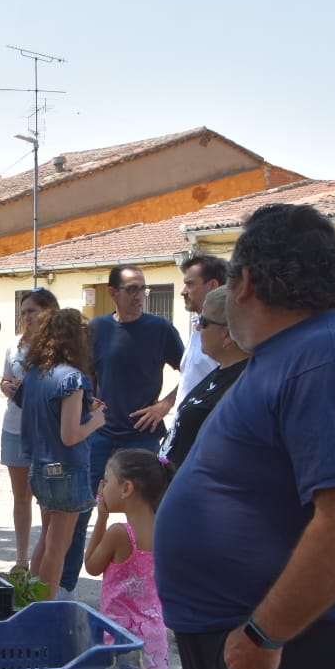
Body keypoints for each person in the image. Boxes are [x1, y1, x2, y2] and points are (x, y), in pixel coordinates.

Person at [154, 203, 335, 669]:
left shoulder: (329, 360)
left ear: (245, 283)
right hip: (244, 631)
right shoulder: (296, 351)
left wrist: (264, 633)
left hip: (276, 641)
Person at [60, 265, 183, 598]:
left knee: (143, 514)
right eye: (131, 289)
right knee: (82, 508)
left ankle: (145, 591)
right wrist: (91, 405)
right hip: (101, 436)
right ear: (112, 293)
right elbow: (85, 375)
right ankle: (66, 589)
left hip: (143, 437)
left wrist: (164, 405)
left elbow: (192, 374)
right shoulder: (97, 329)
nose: (139, 295)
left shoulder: (161, 330)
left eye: (143, 289)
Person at [17, 309, 105, 592]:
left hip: (39, 467)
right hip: (67, 469)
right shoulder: (73, 378)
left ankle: (30, 599)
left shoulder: (34, 375)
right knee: (59, 546)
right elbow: (70, 436)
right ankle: (44, 611)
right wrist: (97, 420)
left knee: (46, 538)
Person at [86, 448, 171, 669]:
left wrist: (101, 518)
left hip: (120, 637)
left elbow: (92, 566)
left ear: (126, 488)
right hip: (155, 636)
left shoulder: (120, 533)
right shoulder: (164, 530)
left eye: (108, 481)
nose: (102, 487)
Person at [0, 288, 58, 573]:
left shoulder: (58, 347)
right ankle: (22, 560)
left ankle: (43, 560)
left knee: (46, 498)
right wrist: (7, 388)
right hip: (15, 425)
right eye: (23, 312)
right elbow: (4, 380)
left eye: (32, 311)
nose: (26, 317)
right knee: (20, 496)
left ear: (49, 311)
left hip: (46, 430)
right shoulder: (14, 345)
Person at [161, 286, 248, 469]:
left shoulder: (243, 384)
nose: (198, 327)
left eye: (203, 321)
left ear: (227, 334)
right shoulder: (222, 371)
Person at [178, 254, 227, 401]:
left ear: (213, 286)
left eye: (190, 284)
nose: (183, 291)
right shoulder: (197, 330)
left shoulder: (224, 335)